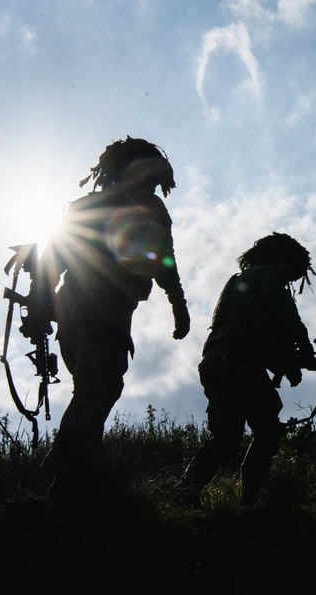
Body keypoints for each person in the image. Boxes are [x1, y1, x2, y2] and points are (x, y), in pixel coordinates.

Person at [27, 137, 191, 500]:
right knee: (100, 386)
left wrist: (42, 306)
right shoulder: (148, 206)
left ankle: (76, 483)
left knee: (89, 386)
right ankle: (64, 473)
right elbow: (163, 257)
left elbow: (52, 259)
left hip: (70, 304)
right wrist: (178, 303)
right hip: (104, 302)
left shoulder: (85, 204)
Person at [181, 232, 315, 504]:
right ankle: (249, 500)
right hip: (238, 362)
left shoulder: (238, 282)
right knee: (267, 428)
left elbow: (253, 332)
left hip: (216, 361)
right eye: (290, 270)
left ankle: (186, 491)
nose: (289, 278)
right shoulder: (266, 275)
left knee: (226, 438)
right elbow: (282, 311)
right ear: (280, 260)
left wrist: (286, 362)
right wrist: (303, 343)